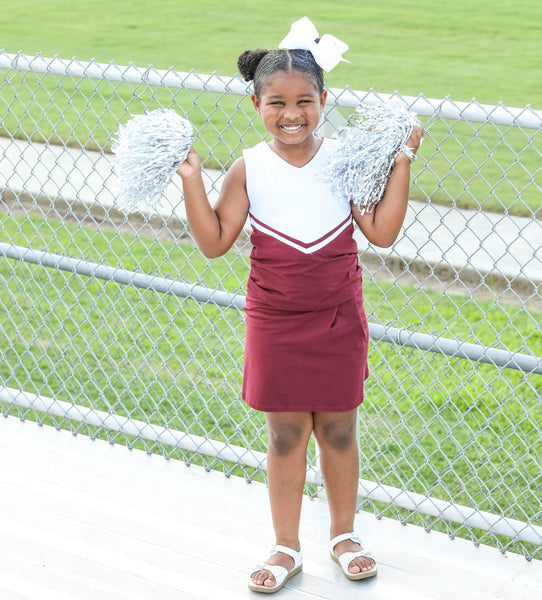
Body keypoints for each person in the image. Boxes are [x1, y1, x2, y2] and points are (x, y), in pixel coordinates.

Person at [177, 16, 423, 594]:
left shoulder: (344, 159)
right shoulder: (248, 167)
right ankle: (286, 547)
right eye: (277, 103)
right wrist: (191, 177)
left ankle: (343, 536)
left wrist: (403, 162)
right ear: (256, 102)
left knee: (338, 430)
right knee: (286, 434)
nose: (292, 115)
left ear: (324, 100)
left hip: (338, 316)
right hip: (274, 320)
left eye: (305, 101)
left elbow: (381, 232)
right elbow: (214, 243)